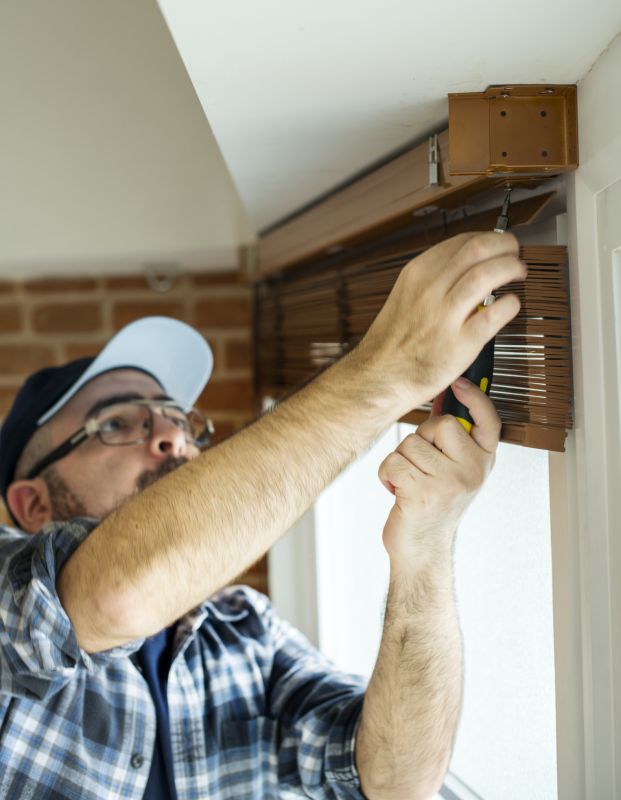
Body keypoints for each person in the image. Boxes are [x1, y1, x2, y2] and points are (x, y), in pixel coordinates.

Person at [0, 231, 525, 799]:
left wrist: (424, 544)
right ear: (33, 504)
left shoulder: (246, 632)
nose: (173, 436)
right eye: (117, 423)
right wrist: (386, 373)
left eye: (179, 420)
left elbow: (394, 781)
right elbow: (118, 594)